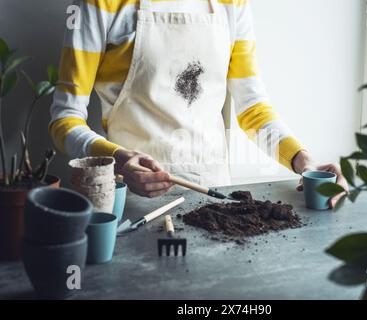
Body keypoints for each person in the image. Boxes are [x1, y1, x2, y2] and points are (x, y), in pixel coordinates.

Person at [50, 0, 348, 206]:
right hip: (130, 199)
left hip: (216, 199)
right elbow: (64, 120)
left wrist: (302, 160)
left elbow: (252, 109)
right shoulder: (99, 4)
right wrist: (118, 159)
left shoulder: (232, 5)